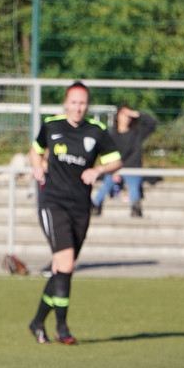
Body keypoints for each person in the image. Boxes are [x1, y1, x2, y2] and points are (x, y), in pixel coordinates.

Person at [27, 81, 122, 345]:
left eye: (82, 103)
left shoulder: (97, 130)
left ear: (87, 105)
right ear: (66, 104)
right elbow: (35, 151)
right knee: (66, 263)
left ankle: (37, 322)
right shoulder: (52, 125)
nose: (78, 108)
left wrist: (98, 170)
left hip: (80, 207)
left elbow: (116, 160)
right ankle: (62, 328)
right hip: (53, 202)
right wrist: (37, 166)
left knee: (61, 268)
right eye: (74, 103)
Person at [91, 104, 157, 218]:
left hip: (133, 168)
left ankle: (136, 207)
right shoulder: (112, 136)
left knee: (133, 184)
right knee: (107, 182)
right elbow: (108, 155)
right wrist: (114, 171)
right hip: (116, 169)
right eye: (124, 115)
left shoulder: (137, 132)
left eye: (129, 115)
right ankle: (95, 204)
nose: (127, 118)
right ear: (118, 117)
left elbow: (152, 123)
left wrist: (136, 114)